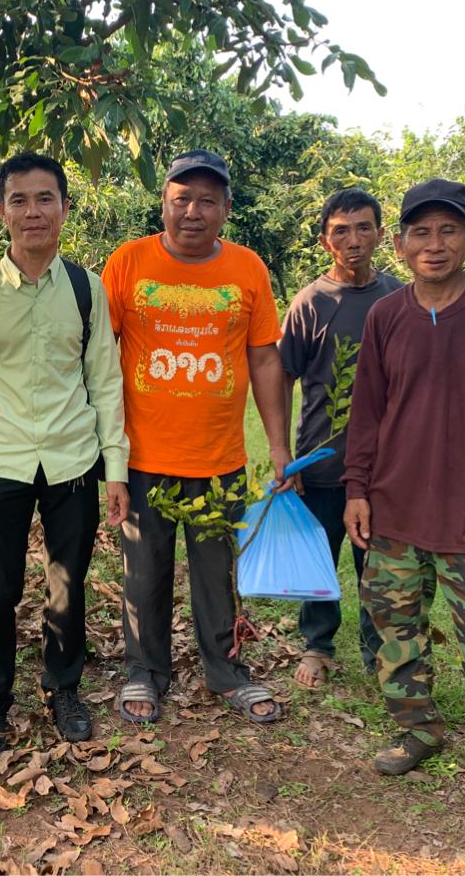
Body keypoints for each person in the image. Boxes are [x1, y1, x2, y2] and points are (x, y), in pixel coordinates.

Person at [342, 178, 465, 824]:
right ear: (400, 246)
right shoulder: (386, 317)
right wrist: (356, 488)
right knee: (394, 629)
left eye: (449, 231)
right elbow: (366, 414)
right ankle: (418, 730)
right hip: (394, 509)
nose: (435, 245)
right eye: (422, 233)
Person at [0, 152, 129, 754]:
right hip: (0, 461)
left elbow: (104, 378)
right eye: (19, 200)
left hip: (73, 460)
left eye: (45, 199)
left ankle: (62, 687)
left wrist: (115, 467)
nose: (32, 212)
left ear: (64, 209)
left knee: (67, 584)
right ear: (2, 211)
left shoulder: (84, 287)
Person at [102, 149, 291, 726]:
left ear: (226, 209)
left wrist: (279, 447)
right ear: (163, 203)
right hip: (143, 459)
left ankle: (225, 670)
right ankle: (145, 671)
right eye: (181, 198)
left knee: (217, 573)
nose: (193, 211)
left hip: (219, 460)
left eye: (207, 200)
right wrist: (106, 452)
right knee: (145, 573)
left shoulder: (248, 268)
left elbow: (263, 360)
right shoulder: (128, 263)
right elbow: (100, 360)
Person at [278, 188, 403, 689]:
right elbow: (281, 378)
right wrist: (287, 456)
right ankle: (318, 645)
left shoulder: (397, 298)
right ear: (326, 239)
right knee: (319, 559)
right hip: (322, 461)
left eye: (363, 228)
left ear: (379, 234)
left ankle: (381, 651)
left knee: (377, 563)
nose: (353, 240)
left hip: (384, 466)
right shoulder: (310, 303)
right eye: (341, 231)